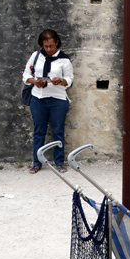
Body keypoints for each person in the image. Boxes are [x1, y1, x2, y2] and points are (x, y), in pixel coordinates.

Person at [23, 29, 74, 174]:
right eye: (46, 46)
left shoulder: (64, 59)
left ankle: (59, 162)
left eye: (51, 46)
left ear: (57, 43)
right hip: (38, 98)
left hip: (57, 99)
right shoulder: (36, 56)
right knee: (39, 131)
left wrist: (61, 81)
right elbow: (26, 74)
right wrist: (34, 81)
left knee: (58, 131)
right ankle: (37, 163)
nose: (49, 49)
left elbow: (70, 79)